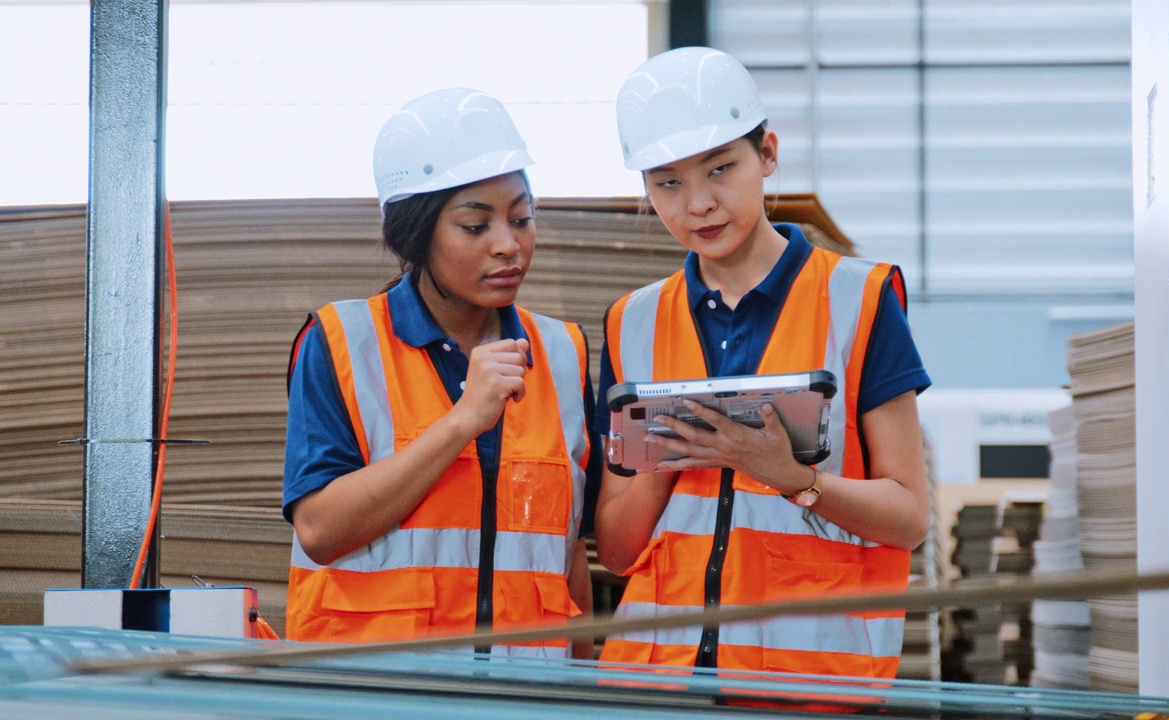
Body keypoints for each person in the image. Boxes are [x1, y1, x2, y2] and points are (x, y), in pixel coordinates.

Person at [593, 47, 932, 680]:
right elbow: (616, 550)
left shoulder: (859, 301)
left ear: (768, 154)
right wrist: (676, 449)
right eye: (667, 182)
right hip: (656, 681)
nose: (697, 203)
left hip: (805, 677)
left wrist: (788, 476)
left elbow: (908, 518)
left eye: (719, 169)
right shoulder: (631, 322)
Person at [282, 88, 600, 659]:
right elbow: (320, 531)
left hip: (527, 696)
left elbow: (569, 554)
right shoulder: (342, 343)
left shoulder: (563, 352)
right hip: (381, 693)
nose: (510, 245)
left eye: (522, 218)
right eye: (476, 226)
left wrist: (580, 690)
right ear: (416, 233)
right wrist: (460, 423)